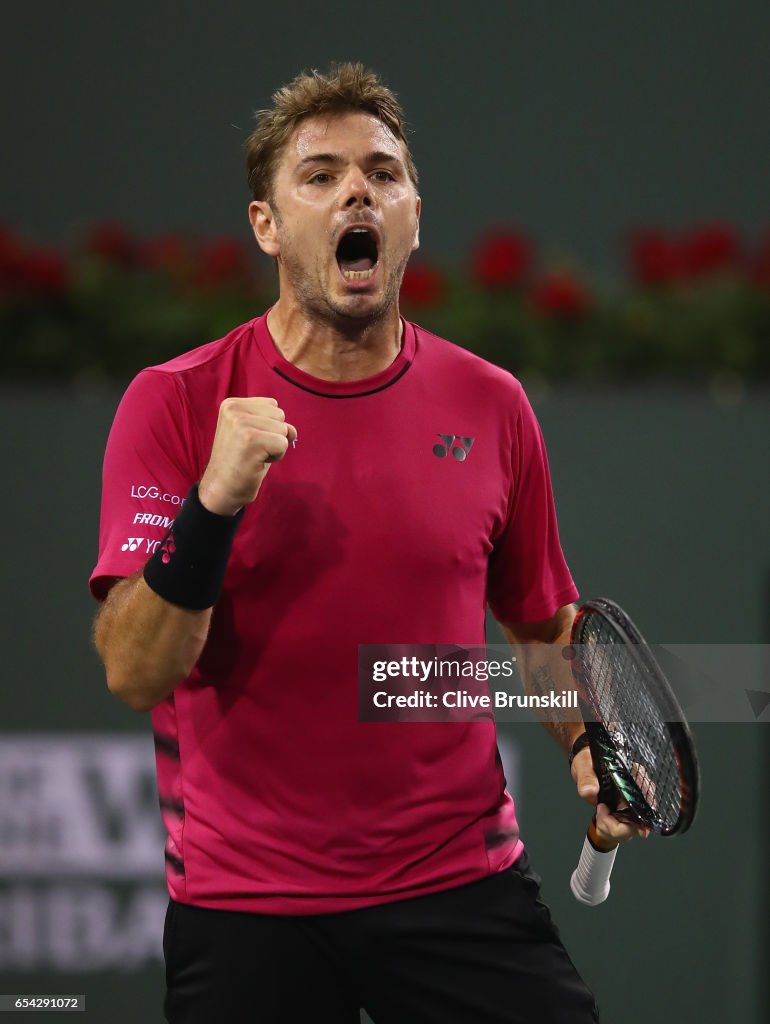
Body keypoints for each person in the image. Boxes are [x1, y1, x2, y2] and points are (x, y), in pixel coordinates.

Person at [91, 62, 646, 1024]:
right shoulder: (176, 401)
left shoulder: (492, 404)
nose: (358, 190)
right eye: (320, 174)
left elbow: (541, 625)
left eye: (383, 173)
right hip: (246, 907)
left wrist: (587, 743)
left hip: (457, 886)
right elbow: (137, 670)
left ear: (413, 216)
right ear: (267, 225)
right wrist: (214, 501)